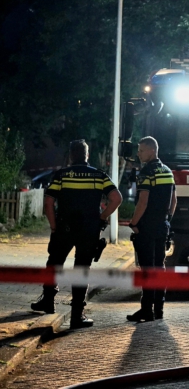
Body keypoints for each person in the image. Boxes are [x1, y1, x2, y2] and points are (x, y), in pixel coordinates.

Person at [31, 139, 122, 329]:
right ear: (87, 155)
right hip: (89, 230)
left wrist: (54, 227)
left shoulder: (62, 175)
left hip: (64, 228)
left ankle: (48, 301)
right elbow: (116, 198)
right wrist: (101, 218)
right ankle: (76, 315)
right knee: (81, 269)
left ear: (71, 155)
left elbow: (48, 203)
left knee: (54, 263)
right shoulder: (98, 175)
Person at [127, 136, 176, 322]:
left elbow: (143, 201)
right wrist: (168, 219)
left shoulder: (147, 172)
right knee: (159, 267)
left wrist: (133, 223)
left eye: (141, 150)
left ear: (152, 151)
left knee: (147, 268)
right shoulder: (167, 171)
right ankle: (159, 309)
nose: (138, 154)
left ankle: (146, 310)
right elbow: (174, 200)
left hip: (147, 226)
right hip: (162, 225)